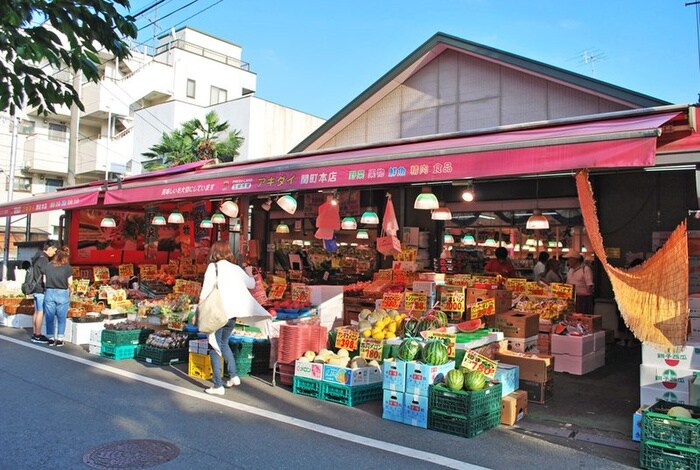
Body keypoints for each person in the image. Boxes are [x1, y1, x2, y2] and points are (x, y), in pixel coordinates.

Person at [199, 240, 271, 395]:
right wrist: (250, 271)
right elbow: (252, 284)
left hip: (217, 313)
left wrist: (199, 310)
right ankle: (233, 375)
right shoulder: (236, 269)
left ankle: (218, 385)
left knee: (214, 347)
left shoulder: (213, 267)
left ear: (214, 252)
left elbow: (205, 292)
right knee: (224, 343)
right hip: (232, 315)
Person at [43, 246, 73, 346]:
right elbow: (70, 282)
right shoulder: (68, 268)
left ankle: (51, 338)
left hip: (50, 292)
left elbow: (44, 280)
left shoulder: (48, 265)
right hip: (62, 293)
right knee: (61, 317)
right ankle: (60, 339)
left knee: (49, 317)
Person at [30, 240, 58, 343]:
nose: (54, 253)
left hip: (35, 288)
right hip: (41, 289)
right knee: (41, 312)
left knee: (37, 311)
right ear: (49, 248)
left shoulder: (37, 257)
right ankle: (38, 335)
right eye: (54, 250)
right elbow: (46, 276)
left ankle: (34, 333)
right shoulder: (44, 260)